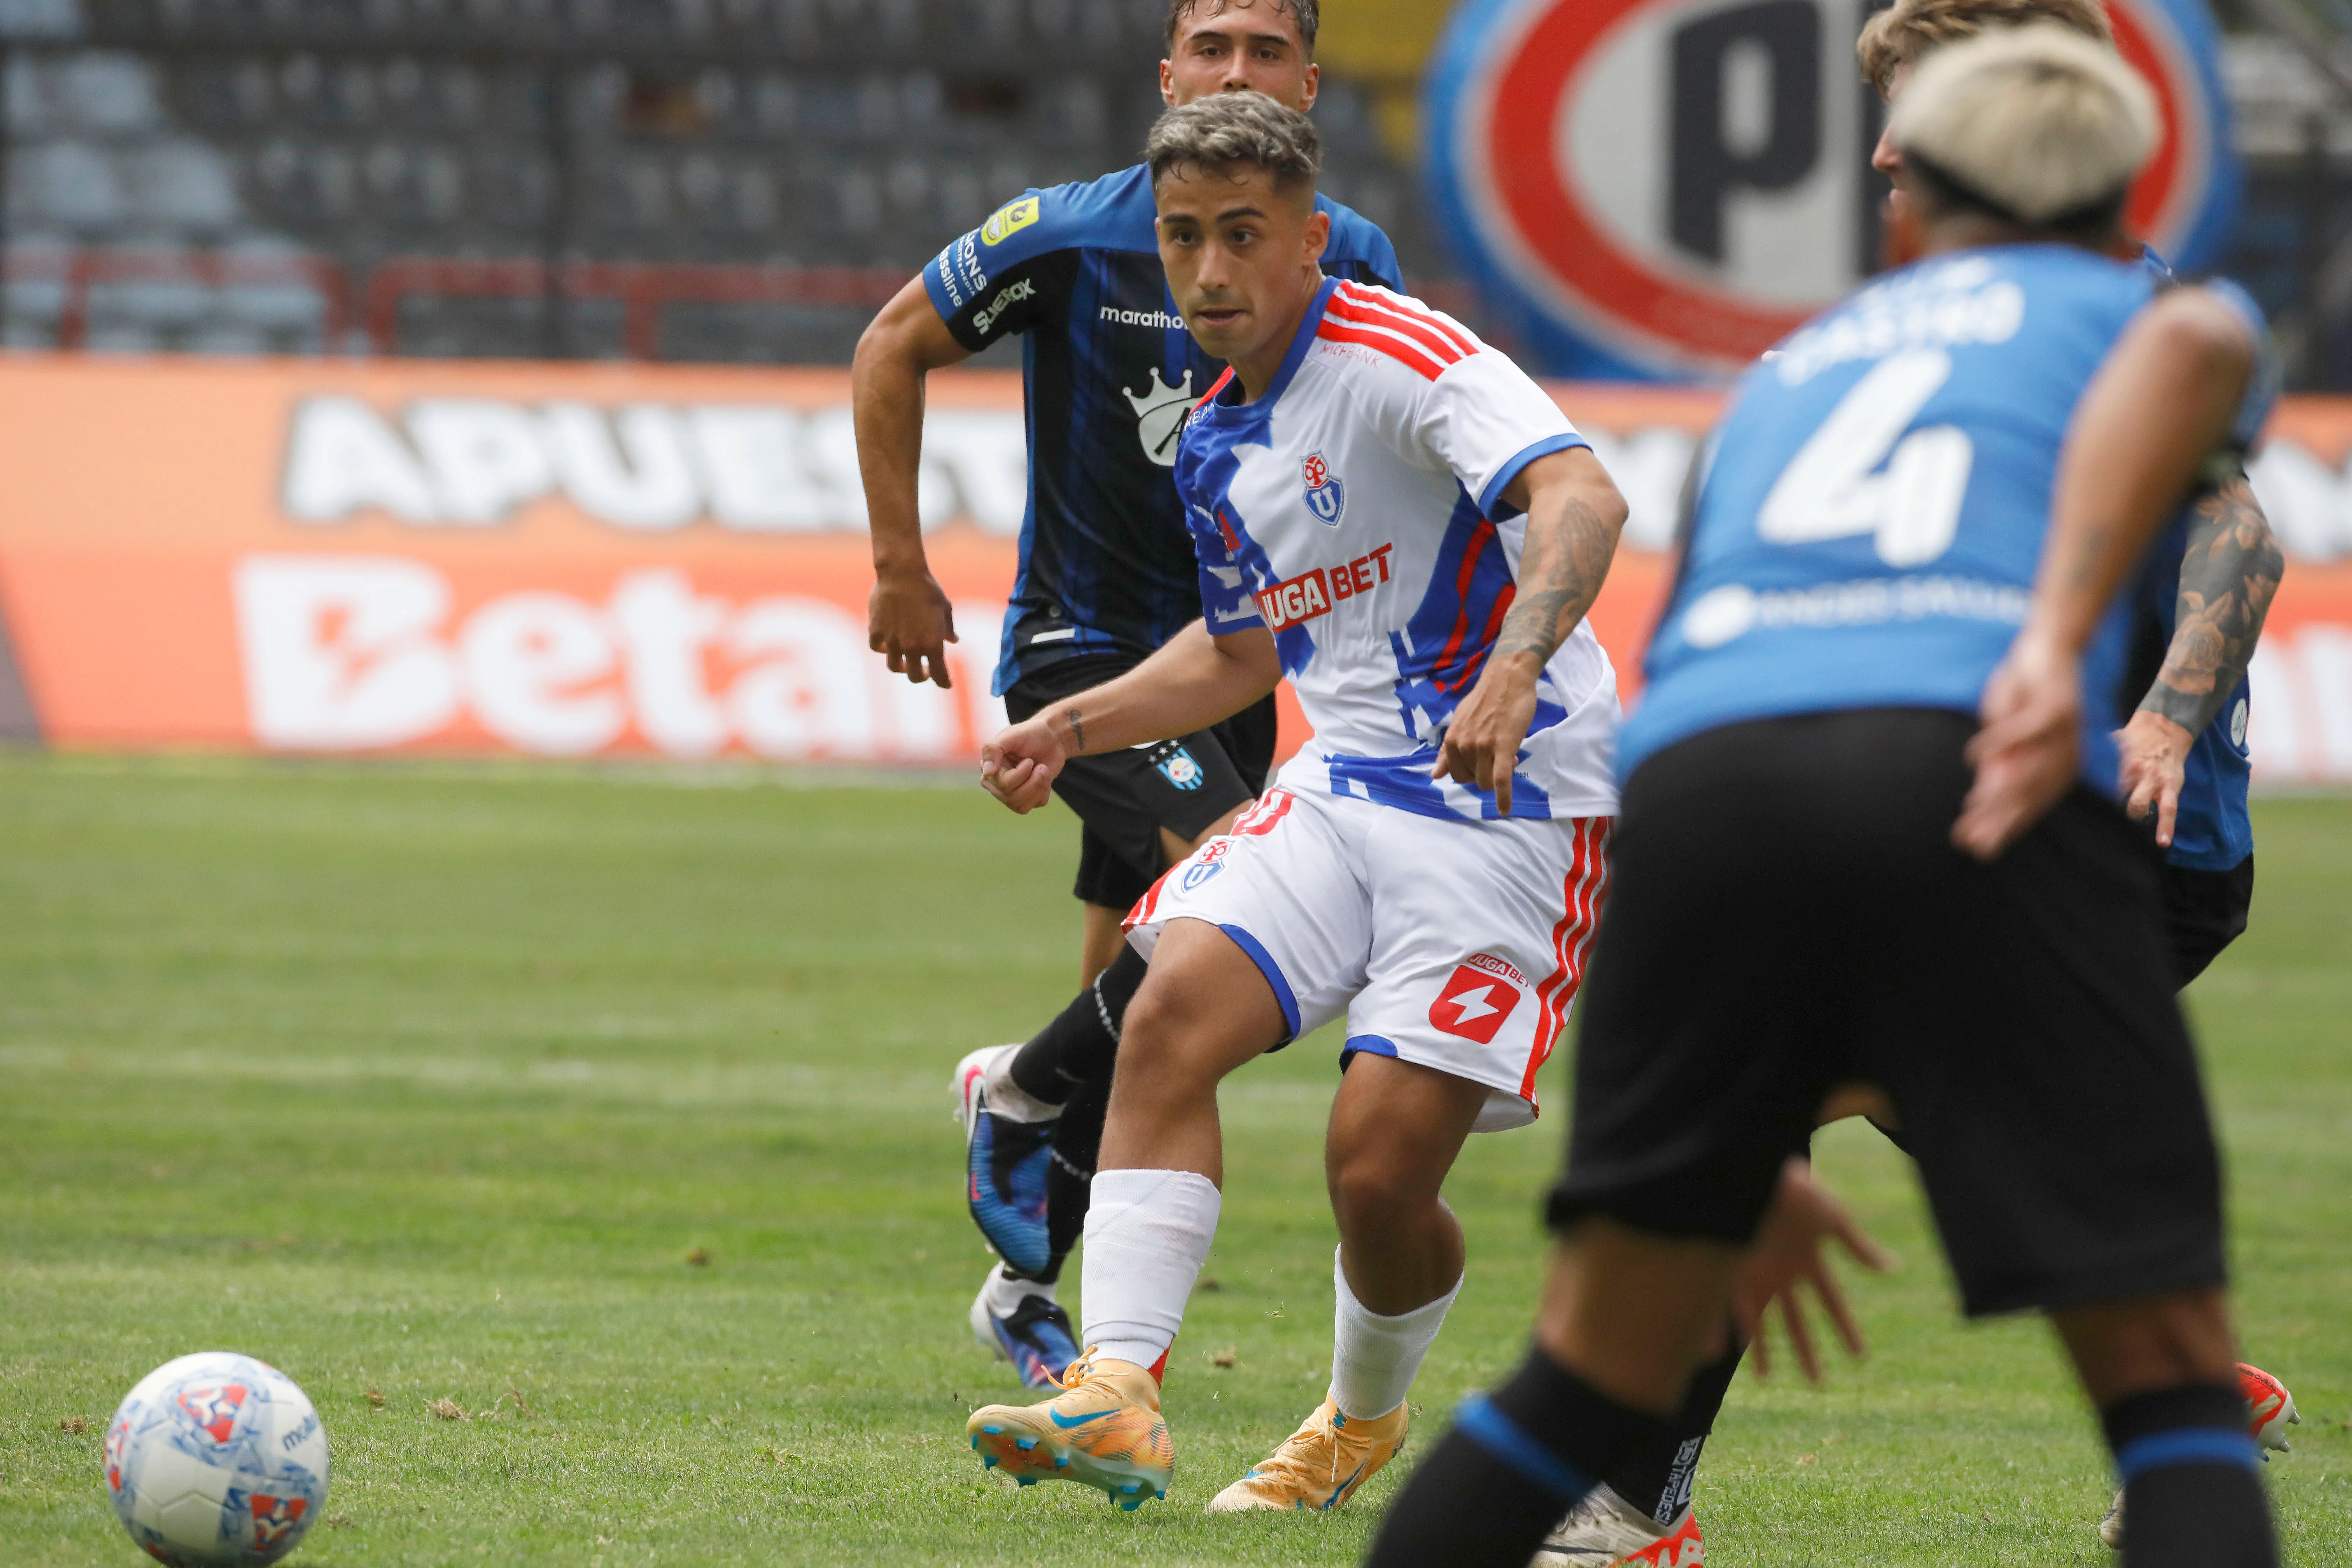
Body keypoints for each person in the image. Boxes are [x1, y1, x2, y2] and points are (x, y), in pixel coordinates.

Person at [1367, 28, 2278, 1568]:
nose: (1872, 168)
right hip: (1966, 775)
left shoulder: (1800, 370)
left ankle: (1627, 1486)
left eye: (1898, 145)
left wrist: (1751, 1112)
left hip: (1703, 796)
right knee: (2166, 1383)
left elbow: (1719, 620)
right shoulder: (2143, 307)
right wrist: (2062, 650)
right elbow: (2210, 418)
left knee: (1586, 1367)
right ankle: (2183, 1411)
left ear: (1932, 187)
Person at [958, 91, 1630, 1513]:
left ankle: (1360, 1415)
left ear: (1309, 238)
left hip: (1511, 802)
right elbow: (1246, 648)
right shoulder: (1211, 438)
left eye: (1243, 237)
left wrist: (1514, 671)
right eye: (1185, 238)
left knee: (1376, 1175)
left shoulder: (1406, 355)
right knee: (1169, 1008)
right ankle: (1118, 1392)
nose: (1209, 271)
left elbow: (1581, 497)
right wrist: (1064, 723)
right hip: (1346, 783)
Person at [851, 0, 1402, 1389]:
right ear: (1167, 75)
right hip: (1085, 654)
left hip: (1234, 672)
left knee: (1150, 1008)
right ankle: (1020, 1085)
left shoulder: (1355, 258)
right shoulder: (1070, 233)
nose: (1235, 69)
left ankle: (1021, 1287)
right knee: (1238, 898)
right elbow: (889, 346)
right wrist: (901, 569)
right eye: (1210, 46)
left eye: (1264, 51)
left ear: (1309, 84)